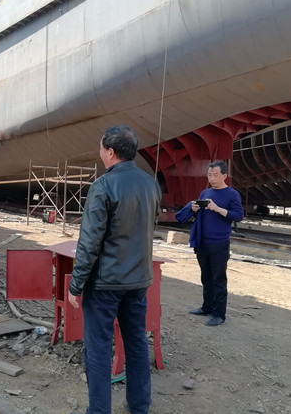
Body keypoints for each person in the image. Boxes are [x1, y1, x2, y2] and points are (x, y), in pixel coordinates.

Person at [67, 125, 161, 414]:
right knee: (136, 343)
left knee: (98, 348)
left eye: (101, 147)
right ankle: (139, 407)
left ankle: (99, 410)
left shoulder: (103, 186)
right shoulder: (151, 184)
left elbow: (89, 242)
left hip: (105, 284)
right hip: (138, 281)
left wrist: (76, 284)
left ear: (110, 152)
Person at [176, 160, 244, 327]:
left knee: (218, 279)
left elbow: (238, 215)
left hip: (219, 243)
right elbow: (197, 215)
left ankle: (219, 314)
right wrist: (193, 209)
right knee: (206, 277)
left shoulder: (232, 194)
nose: (212, 178)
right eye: (209, 175)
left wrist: (218, 209)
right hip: (203, 242)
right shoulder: (205, 192)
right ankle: (207, 307)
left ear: (224, 176)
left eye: (215, 175)